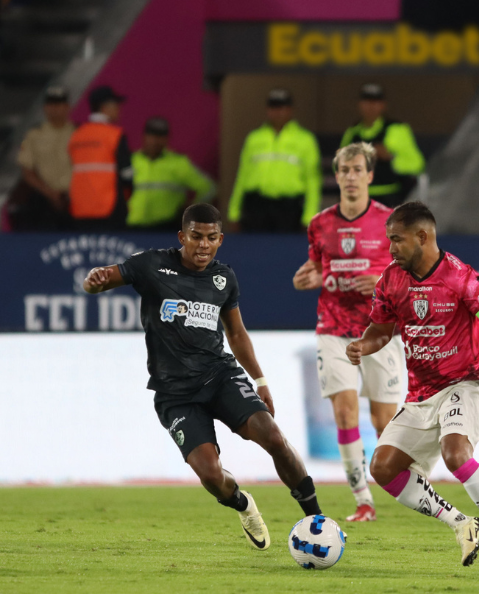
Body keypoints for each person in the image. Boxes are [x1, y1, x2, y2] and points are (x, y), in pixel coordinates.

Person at [81, 203, 325, 552]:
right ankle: (244, 505)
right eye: (196, 237)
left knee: (273, 436)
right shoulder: (152, 264)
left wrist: (260, 380)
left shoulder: (224, 278)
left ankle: (317, 520)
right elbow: (103, 278)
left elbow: (236, 333)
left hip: (220, 376)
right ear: (182, 236)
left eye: (211, 238)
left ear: (221, 240)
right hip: (175, 393)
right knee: (211, 476)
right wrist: (94, 281)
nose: (203, 245)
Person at [348, 202, 479, 575]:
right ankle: (461, 523)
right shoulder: (391, 279)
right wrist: (363, 345)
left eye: (397, 240)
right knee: (383, 467)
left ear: (422, 236)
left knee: (455, 454)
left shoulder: (461, 278)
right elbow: (381, 331)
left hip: (464, 383)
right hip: (421, 394)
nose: (391, 248)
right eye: (389, 240)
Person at [292, 143, 405, 522]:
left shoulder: (390, 222)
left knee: (384, 421)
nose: (351, 177)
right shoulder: (320, 224)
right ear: (337, 176)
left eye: (358, 169)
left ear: (370, 175)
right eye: (345, 170)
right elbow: (316, 268)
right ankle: (363, 500)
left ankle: (403, 485)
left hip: (380, 330)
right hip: (334, 328)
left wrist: (381, 281)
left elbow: (411, 274)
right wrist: (308, 278)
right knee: (343, 412)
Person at [228, 88, 321, 233]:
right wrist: (234, 212)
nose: (277, 112)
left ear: (290, 110)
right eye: (273, 107)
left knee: (287, 247)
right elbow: (242, 176)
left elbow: (312, 181)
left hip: (289, 209)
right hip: (256, 207)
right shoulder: (254, 138)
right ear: (267, 110)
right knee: (253, 246)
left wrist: (309, 217)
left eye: (282, 107)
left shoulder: (305, 140)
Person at [340, 84, 425, 208]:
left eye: (375, 102)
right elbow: (339, 165)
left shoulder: (396, 129)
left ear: (383, 105)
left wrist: (391, 157)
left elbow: (417, 164)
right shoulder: (353, 132)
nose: (371, 107)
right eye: (367, 102)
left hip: (390, 197)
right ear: (360, 105)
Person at [127, 117, 215, 230]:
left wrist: (192, 210)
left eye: (161, 136)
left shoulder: (178, 163)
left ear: (167, 139)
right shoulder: (130, 160)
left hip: (166, 227)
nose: (156, 141)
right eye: (152, 135)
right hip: (131, 227)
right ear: (144, 136)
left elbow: (209, 188)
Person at [67, 85, 133, 231]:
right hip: (110, 208)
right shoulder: (115, 135)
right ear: (104, 107)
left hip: (80, 208)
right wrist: (128, 196)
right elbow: (127, 174)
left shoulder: (76, 136)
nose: (119, 109)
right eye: (116, 105)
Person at [10, 86, 74, 231]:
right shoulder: (34, 134)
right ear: (45, 108)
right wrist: (50, 193)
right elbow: (27, 171)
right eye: (50, 104)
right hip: (44, 200)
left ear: (67, 107)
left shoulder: (78, 133)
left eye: (58, 104)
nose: (54, 109)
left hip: (75, 199)